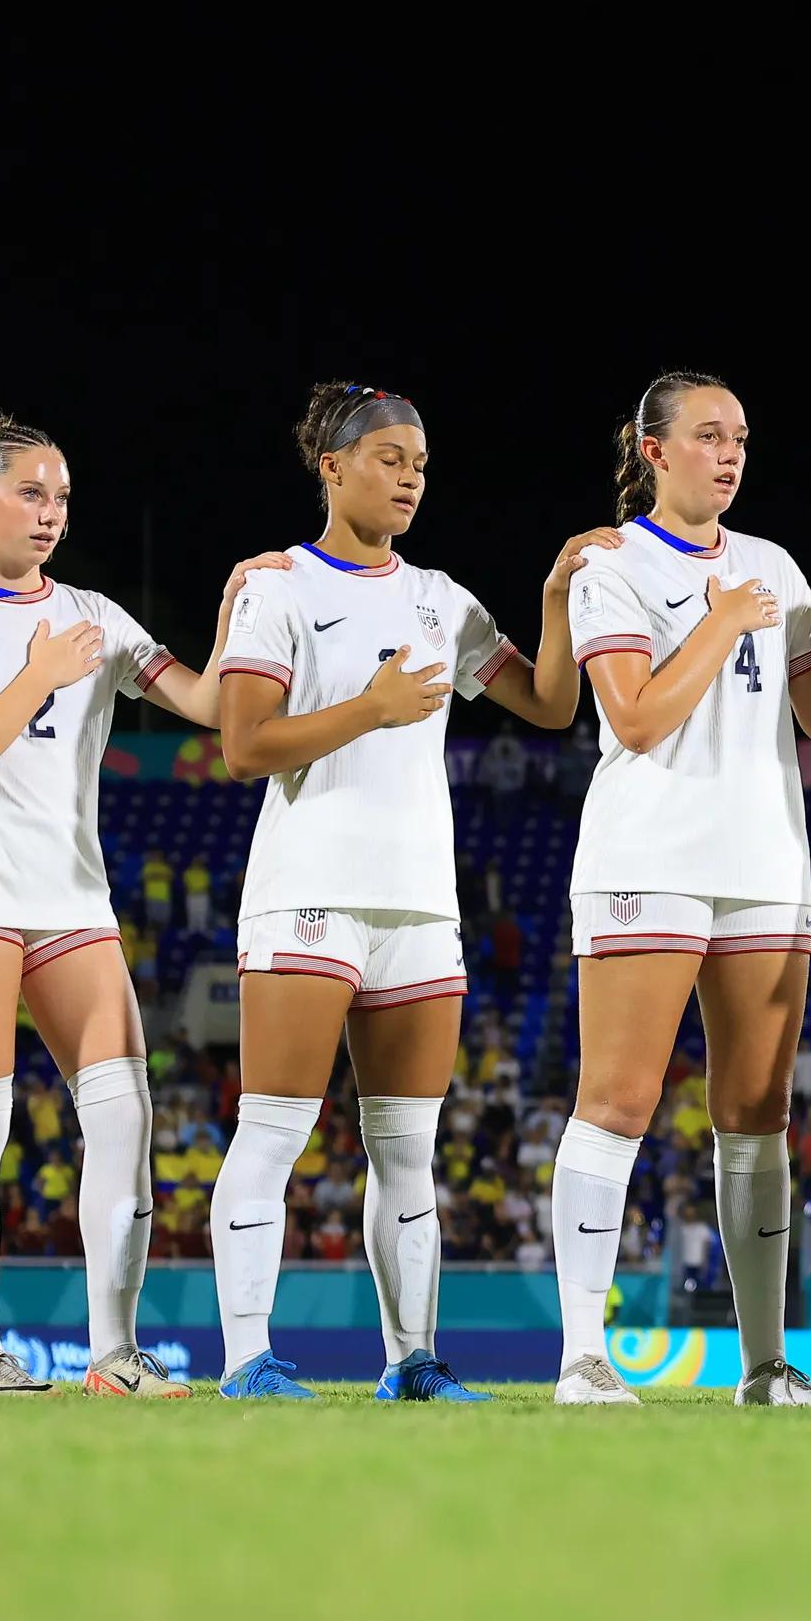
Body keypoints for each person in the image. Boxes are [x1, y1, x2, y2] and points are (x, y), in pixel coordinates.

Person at [206, 381, 600, 1400]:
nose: (409, 478)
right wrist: (371, 707)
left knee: (407, 1150)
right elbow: (244, 745)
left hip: (420, 903)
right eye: (388, 457)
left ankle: (411, 1361)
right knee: (275, 1131)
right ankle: (246, 1356)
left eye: (419, 463)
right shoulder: (277, 586)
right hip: (308, 890)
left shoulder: (441, 598)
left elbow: (547, 704)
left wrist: (556, 600)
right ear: (330, 466)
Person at [0, 414, 227, 1395]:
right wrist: (37, 671)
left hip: (69, 892)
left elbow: (203, 704)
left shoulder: (95, 614)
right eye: (31, 493)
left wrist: (252, 620)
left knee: (124, 1113)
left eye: (62, 497)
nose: (50, 514)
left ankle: (114, 1355)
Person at [548, 372, 811, 1406]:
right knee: (620, 1099)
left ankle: (764, 1366)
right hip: (648, 860)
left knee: (757, 1110)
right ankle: (582, 1357)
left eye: (740, 438)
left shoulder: (774, 566)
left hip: (765, 864)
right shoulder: (612, 563)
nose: (729, 454)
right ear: (653, 450)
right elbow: (632, 718)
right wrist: (722, 622)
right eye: (708, 436)